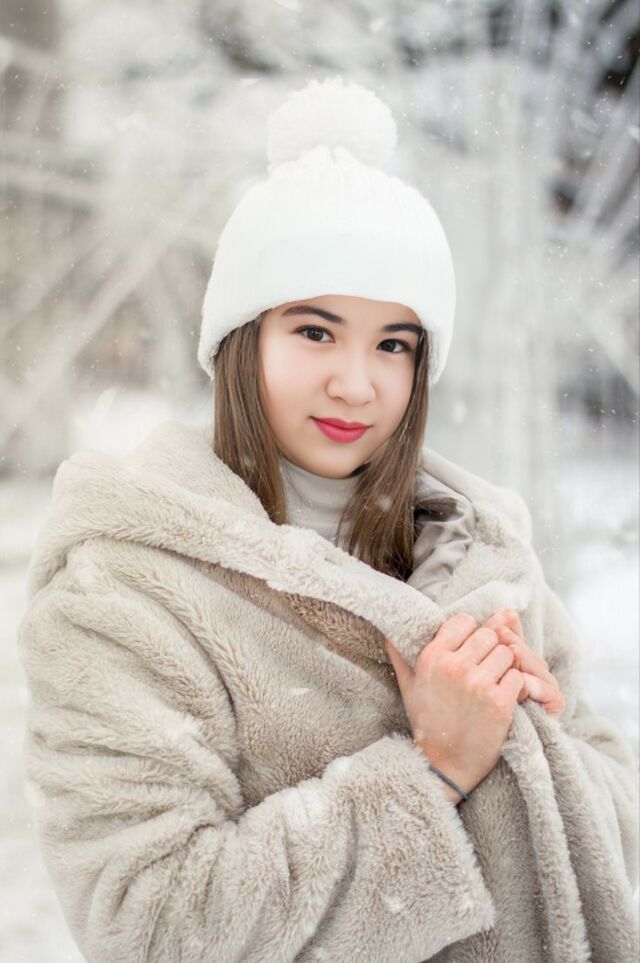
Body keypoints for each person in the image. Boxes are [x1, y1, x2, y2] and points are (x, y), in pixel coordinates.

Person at [17, 76, 638, 963]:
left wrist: (535, 743)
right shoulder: (124, 585)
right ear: (243, 340)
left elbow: (617, 834)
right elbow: (148, 922)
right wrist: (434, 768)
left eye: (393, 344)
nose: (356, 382)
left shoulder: (480, 551)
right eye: (315, 332)